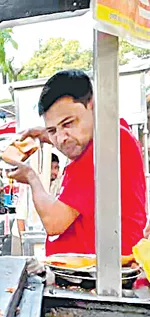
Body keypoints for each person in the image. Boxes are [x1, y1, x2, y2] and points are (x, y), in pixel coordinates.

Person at [8, 70, 147, 256]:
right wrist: (46, 133)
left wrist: (31, 177)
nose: (61, 138)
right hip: (88, 274)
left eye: (68, 123)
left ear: (92, 106)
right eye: (52, 130)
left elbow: (54, 222)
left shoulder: (105, 147)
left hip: (103, 278)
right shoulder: (112, 134)